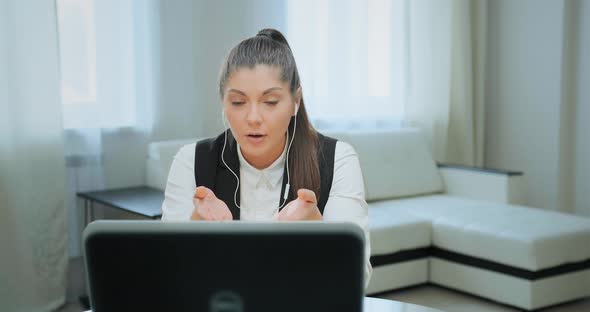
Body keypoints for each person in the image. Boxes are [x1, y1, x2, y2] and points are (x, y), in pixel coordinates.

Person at [161, 28, 372, 288]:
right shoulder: (190, 161)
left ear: (295, 101)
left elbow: (357, 279)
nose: (253, 118)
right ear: (223, 103)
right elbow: (167, 278)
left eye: (270, 102)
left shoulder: (338, 158)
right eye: (238, 102)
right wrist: (194, 229)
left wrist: (318, 231)